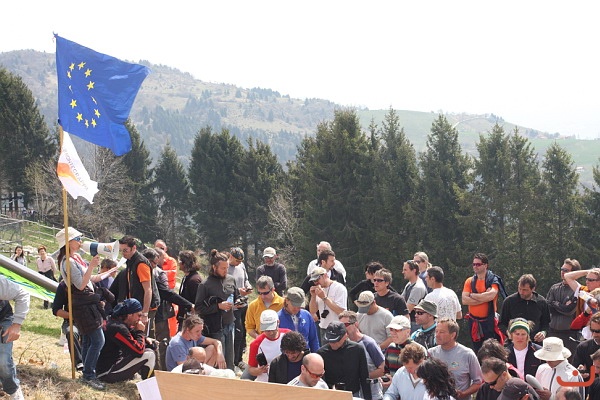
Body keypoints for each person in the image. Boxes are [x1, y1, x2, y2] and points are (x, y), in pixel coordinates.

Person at [55, 227, 107, 390]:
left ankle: (86, 371)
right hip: (82, 305)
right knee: (98, 340)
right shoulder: (68, 262)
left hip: (86, 304)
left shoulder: (75, 258)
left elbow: (89, 279)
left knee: (88, 340)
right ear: (68, 242)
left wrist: (104, 272)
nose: (80, 241)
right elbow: (80, 285)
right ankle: (88, 375)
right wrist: (91, 266)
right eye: (77, 239)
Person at [142, 248, 194, 371]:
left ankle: (163, 370)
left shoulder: (156, 273)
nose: (155, 266)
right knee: (154, 344)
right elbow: (166, 293)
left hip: (157, 314)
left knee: (160, 344)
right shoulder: (154, 274)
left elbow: (167, 293)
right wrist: (189, 305)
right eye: (154, 263)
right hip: (151, 315)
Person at [195, 249, 238, 369]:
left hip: (230, 324)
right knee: (219, 363)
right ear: (214, 267)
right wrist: (218, 306)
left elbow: (236, 296)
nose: (226, 271)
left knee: (230, 361)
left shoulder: (231, 279)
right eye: (223, 268)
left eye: (227, 268)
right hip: (215, 328)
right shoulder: (205, 285)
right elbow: (198, 308)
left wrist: (239, 303)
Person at [96, 299, 156, 383]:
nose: (139, 319)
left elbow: (132, 336)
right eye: (138, 315)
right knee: (149, 354)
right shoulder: (118, 328)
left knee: (150, 347)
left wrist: (145, 338)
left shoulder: (115, 321)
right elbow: (138, 351)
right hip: (106, 373)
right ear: (130, 314)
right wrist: (140, 332)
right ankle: (148, 386)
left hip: (108, 367)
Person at [113, 235, 159, 336]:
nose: (123, 253)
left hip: (146, 308)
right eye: (121, 251)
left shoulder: (141, 263)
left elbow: (148, 290)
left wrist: (145, 313)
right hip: (137, 306)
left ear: (134, 248)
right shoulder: (131, 261)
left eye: (125, 250)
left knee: (143, 336)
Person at [428, 317, 483, 400]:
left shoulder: (467, 354)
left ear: (453, 335)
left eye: (442, 332)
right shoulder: (431, 353)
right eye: (436, 331)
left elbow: (478, 382)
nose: (437, 335)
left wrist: (464, 394)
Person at [462, 253, 505, 352]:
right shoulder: (469, 281)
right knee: (478, 350)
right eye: (474, 264)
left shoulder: (493, 280)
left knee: (492, 350)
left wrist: (472, 295)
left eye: (478, 264)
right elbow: (464, 300)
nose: (475, 266)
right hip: (474, 322)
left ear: (485, 265)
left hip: (489, 322)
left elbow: (491, 296)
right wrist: (483, 297)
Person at [317, 321, 372, 399]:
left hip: (353, 394)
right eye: (330, 340)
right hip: (331, 395)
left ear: (345, 336)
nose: (333, 343)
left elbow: (364, 377)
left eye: (336, 340)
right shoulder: (321, 353)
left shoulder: (357, 350)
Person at [340, 310, 386, 400]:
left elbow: (382, 369)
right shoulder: (343, 344)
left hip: (372, 392)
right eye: (341, 326)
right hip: (353, 393)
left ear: (356, 324)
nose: (343, 329)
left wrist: (362, 376)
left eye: (346, 325)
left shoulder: (369, 343)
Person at [0, 274, 30, 400]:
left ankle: (13, 391)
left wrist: (16, 324)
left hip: (3, 319)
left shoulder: (1, 283)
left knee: (3, 360)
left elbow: (22, 294)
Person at [499, 274, 550, 344]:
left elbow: (546, 324)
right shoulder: (509, 301)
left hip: (535, 342)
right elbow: (501, 324)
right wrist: (508, 333)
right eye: (519, 289)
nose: (521, 292)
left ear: (533, 289)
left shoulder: (542, 302)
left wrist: (543, 333)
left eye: (525, 290)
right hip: (514, 343)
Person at [546, 259, 579, 357]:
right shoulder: (554, 288)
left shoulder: (577, 290)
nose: (563, 272)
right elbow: (548, 307)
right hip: (553, 332)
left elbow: (569, 311)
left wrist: (555, 304)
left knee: (568, 361)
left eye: (566, 270)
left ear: (573, 273)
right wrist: (562, 306)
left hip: (569, 334)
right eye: (562, 269)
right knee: (550, 359)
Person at [246, 309, 290, 382]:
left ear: (278, 322)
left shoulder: (288, 335)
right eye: (267, 329)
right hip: (265, 382)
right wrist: (259, 370)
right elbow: (251, 369)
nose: (270, 333)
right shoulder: (256, 344)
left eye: (272, 328)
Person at [309, 266, 348, 344]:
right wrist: (313, 296)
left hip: (337, 328)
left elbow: (341, 311)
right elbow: (313, 311)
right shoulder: (319, 290)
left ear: (325, 275)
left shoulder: (339, 288)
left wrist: (324, 298)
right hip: (323, 327)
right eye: (314, 281)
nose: (316, 283)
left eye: (317, 279)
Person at [227, 247, 252, 368]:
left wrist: (248, 286)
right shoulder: (226, 267)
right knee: (238, 332)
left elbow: (245, 279)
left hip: (244, 303)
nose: (238, 263)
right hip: (234, 305)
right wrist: (238, 291)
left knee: (243, 332)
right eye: (237, 261)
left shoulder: (241, 266)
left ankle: (240, 358)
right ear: (231, 257)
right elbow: (226, 286)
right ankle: (234, 360)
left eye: (240, 261)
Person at [52, 280, 84, 372]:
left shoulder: (90, 283)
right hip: (72, 321)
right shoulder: (63, 286)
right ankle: (79, 363)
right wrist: (74, 316)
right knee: (71, 332)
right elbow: (56, 310)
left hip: (91, 321)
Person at [382, 315, 425, 380]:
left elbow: (423, 375)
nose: (393, 333)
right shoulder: (390, 347)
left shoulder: (419, 350)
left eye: (397, 330)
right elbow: (386, 370)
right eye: (391, 329)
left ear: (408, 332)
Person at [278, 286, 320, 352]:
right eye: (294, 305)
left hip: (306, 354)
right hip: (287, 355)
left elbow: (313, 339)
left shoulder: (306, 315)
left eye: (299, 306)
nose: (297, 308)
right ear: (287, 300)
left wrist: (316, 355)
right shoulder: (278, 318)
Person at [176, 250, 203, 330]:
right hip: (185, 318)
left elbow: (197, 302)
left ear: (184, 263)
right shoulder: (187, 277)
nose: (178, 264)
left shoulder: (194, 280)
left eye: (179, 261)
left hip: (190, 322)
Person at [401, 260, 428, 332]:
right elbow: (400, 300)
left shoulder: (418, 287)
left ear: (414, 271)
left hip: (415, 324)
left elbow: (408, 308)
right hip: (410, 322)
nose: (403, 272)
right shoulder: (409, 284)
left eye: (405, 270)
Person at [36, 245, 56, 309]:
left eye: (43, 251)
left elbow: (54, 268)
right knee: (44, 289)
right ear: (39, 253)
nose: (42, 253)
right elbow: (38, 268)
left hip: (49, 274)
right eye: (40, 251)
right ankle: (45, 305)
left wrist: (52, 275)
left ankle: (53, 304)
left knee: (51, 289)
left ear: (45, 252)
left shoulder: (49, 259)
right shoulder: (38, 260)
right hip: (41, 274)